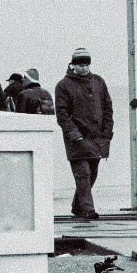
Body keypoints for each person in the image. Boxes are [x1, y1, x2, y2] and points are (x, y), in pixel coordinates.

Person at [55, 49, 113, 220]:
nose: (84, 68)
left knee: (92, 174)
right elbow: (62, 114)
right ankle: (88, 210)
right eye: (80, 65)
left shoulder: (98, 81)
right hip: (76, 139)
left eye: (86, 64)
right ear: (72, 65)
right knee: (83, 174)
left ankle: (77, 206)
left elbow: (108, 107)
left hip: (98, 137)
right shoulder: (63, 85)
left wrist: (107, 131)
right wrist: (75, 134)